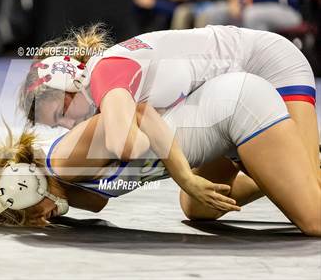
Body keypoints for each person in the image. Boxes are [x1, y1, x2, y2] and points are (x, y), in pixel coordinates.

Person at [0, 72, 321, 236]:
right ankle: (290, 168)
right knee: (198, 207)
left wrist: (183, 176)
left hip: (235, 110)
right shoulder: (62, 184)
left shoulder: (64, 160)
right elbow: (95, 203)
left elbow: (140, 112)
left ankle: (290, 167)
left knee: (314, 222)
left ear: (24, 186)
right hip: (217, 138)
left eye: (26, 217)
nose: (38, 223)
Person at [19, 24, 319, 194]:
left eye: (61, 114)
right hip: (233, 93)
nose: (69, 126)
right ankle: (274, 174)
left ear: (71, 83)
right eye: (58, 125)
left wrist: (55, 170)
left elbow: (127, 145)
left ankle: (293, 169)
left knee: (311, 191)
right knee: (199, 207)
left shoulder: (106, 75)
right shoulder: (104, 88)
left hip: (270, 64)